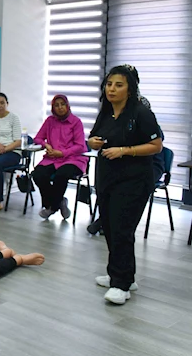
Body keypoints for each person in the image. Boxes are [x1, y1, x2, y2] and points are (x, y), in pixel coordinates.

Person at [88, 65, 162, 305]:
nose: (111, 89)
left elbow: (156, 146)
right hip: (107, 178)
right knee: (109, 228)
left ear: (130, 89)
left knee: (122, 229)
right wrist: (92, 142)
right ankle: (122, 276)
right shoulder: (106, 111)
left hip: (134, 180)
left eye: (118, 85)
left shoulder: (141, 113)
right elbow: (93, 138)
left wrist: (124, 151)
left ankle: (121, 285)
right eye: (109, 84)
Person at [31, 95, 87, 220]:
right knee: (38, 175)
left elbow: (80, 146)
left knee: (61, 175)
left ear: (68, 106)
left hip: (73, 159)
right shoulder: (50, 121)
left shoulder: (76, 122)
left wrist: (62, 153)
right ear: (53, 108)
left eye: (63, 104)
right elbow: (38, 138)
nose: (60, 107)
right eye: (56, 105)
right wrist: (46, 144)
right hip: (52, 158)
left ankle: (51, 208)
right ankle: (59, 201)